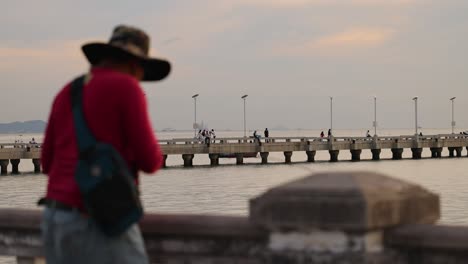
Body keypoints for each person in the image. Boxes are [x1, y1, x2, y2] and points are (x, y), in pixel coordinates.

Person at [40, 25, 170, 264]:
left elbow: (46, 163)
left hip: (53, 219)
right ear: (134, 64)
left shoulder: (67, 92)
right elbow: (150, 161)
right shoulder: (127, 88)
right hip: (97, 218)